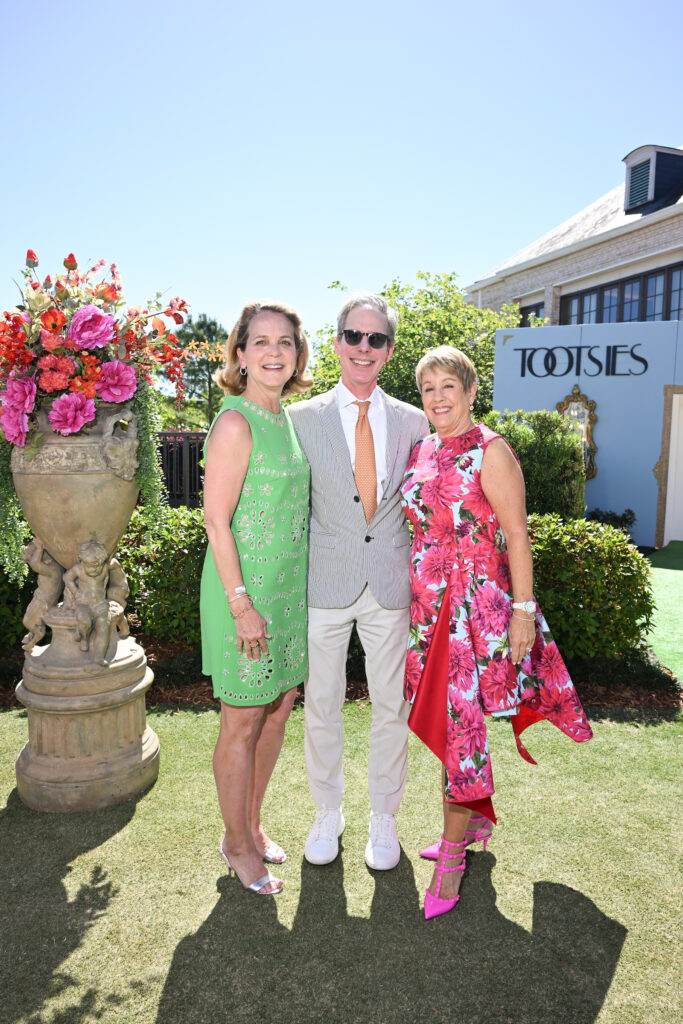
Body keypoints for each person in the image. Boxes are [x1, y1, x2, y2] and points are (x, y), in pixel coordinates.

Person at [399, 345, 593, 919]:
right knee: (448, 718)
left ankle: (453, 856)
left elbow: (517, 536)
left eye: (447, 386)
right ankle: (474, 819)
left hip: (475, 610)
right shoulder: (424, 448)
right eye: (428, 387)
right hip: (428, 609)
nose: (437, 397)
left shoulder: (492, 451)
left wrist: (523, 611)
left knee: (460, 728)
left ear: (469, 391)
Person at [289, 292, 429, 870]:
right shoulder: (300, 419)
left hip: (390, 586)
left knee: (389, 709)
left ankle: (383, 817)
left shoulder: (415, 421)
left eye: (376, 339)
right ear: (338, 341)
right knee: (321, 704)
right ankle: (328, 812)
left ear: (389, 350)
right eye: (354, 336)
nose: (364, 348)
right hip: (324, 584)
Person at [200, 301, 312, 896]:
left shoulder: (285, 417)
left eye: (285, 342)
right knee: (243, 720)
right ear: (240, 355)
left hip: (287, 594)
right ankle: (237, 843)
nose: (274, 352)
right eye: (260, 342)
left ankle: (251, 821)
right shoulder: (235, 422)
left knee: (277, 709)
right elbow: (216, 521)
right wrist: (241, 604)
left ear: (297, 353)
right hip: (243, 594)